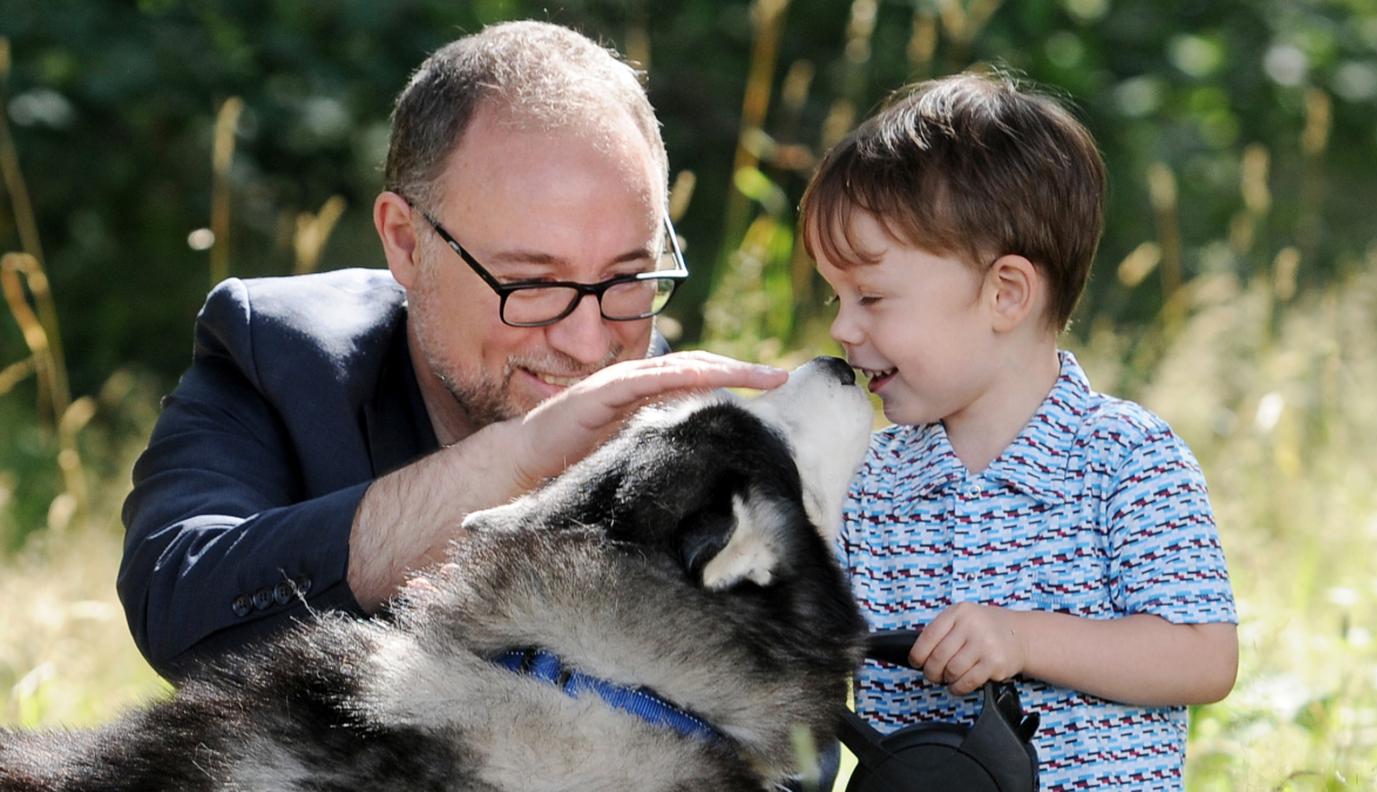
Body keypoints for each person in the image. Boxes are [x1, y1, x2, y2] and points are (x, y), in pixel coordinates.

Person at [118, 20, 787, 680]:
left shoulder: (691, 430)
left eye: (627, 278)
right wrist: (511, 465)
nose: (590, 345)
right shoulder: (280, 352)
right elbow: (177, 604)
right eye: (531, 283)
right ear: (406, 242)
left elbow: (791, 755)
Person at [800, 71, 1239, 788]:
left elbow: (1202, 657)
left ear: (1005, 293)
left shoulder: (1128, 459)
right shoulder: (866, 485)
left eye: (872, 296)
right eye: (837, 295)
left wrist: (1020, 637)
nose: (842, 327)